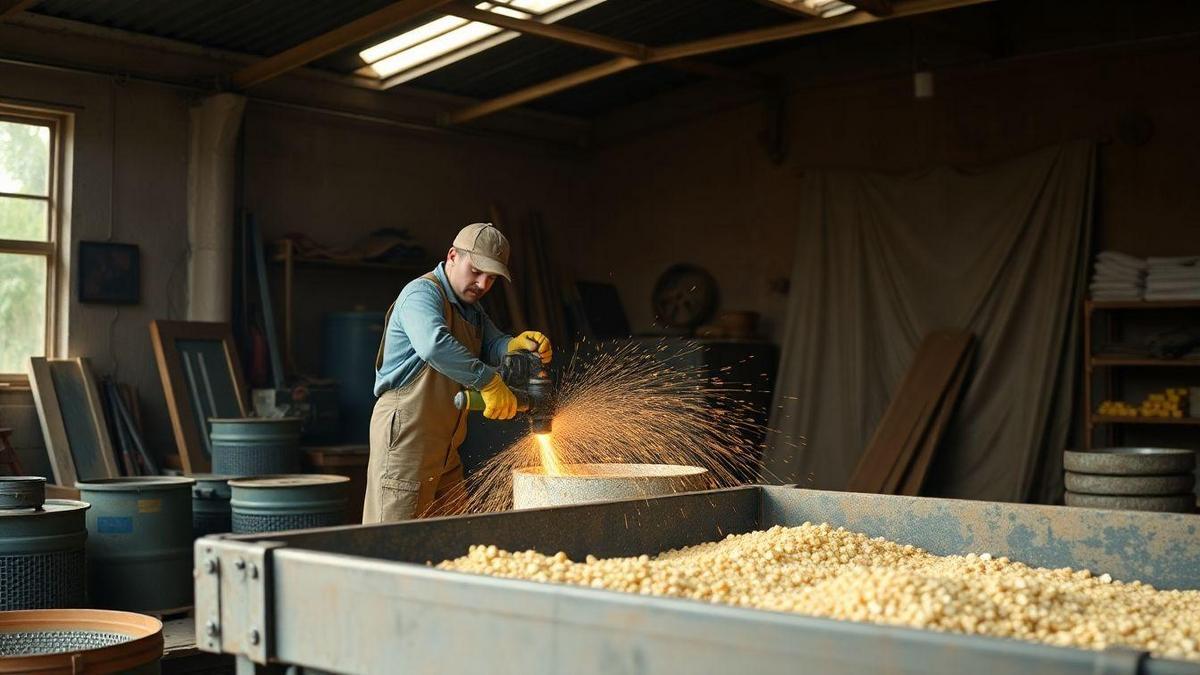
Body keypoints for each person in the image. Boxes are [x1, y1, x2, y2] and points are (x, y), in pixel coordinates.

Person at [363, 222, 552, 523]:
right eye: (476, 271)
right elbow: (434, 345)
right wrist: (489, 383)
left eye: (491, 278)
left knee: (455, 540)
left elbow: (494, 343)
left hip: (447, 448)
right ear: (452, 256)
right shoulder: (421, 294)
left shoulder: (471, 309)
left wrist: (518, 346)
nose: (481, 284)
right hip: (407, 442)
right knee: (392, 545)